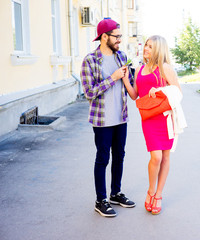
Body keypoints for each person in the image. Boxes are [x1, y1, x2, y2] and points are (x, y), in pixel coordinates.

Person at [80, 18, 136, 217]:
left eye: (120, 36)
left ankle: (115, 193)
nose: (120, 40)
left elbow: (130, 86)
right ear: (104, 37)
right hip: (102, 120)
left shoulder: (122, 57)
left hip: (121, 117)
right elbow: (88, 92)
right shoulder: (90, 60)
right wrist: (112, 78)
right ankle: (100, 199)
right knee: (103, 158)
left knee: (119, 156)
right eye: (117, 36)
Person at [122, 35, 182, 215]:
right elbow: (135, 95)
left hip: (164, 118)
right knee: (155, 157)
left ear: (158, 49)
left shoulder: (165, 68)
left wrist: (161, 90)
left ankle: (158, 195)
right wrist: (125, 78)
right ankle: (150, 190)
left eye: (150, 46)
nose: (145, 49)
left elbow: (178, 92)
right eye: (145, 45)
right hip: (148, 119)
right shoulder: (140, 69)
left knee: (165, 157)